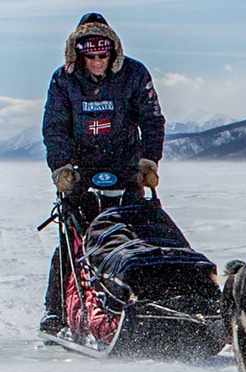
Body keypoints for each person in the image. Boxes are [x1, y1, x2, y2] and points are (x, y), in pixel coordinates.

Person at [40, 12, 166, 334]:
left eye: (103, 54)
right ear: (78, 54)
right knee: (74, 241)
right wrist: (61, 168)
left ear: (113, 51)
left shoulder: (134, 74)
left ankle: (149, 303)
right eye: (90, 55)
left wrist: (148, 162)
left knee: (136, 236)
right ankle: (55, 311)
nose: (97, 62)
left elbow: (152, 120)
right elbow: (55, 128)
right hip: (82, 174)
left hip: (126, 171)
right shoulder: (63, 80)